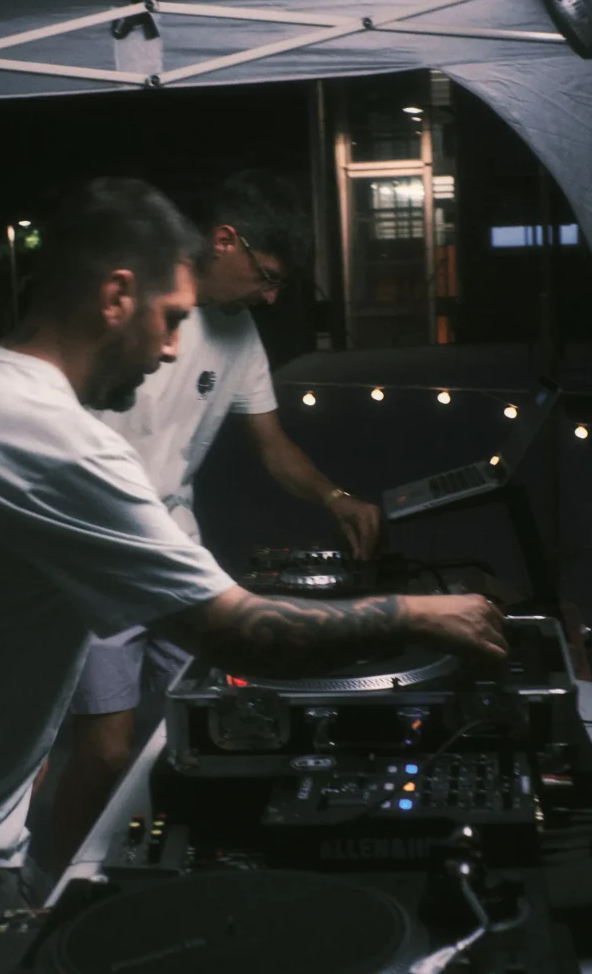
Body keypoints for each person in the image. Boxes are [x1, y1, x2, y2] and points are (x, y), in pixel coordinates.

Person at [0, 177, 505, 973]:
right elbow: (243, 636)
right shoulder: (50, 439)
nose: (173, 349)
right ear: (117, 295)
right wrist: (416, 614)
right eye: (170, 321)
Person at [54, 171, 385, 861]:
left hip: (179, 551)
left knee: (208, 726)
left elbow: (271, 443)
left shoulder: (239, 332)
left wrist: (333, 496)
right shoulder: (123, 314)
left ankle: (171, 868)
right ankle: (58, 884)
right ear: (223, 239)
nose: (268, 295)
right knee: (107, 752)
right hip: (101, 556)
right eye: (265, 275)